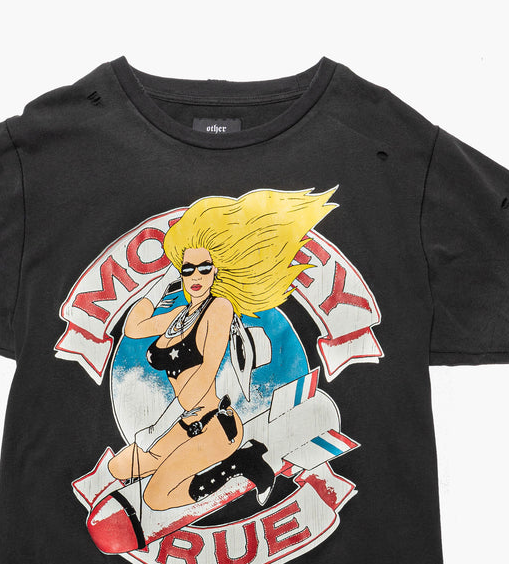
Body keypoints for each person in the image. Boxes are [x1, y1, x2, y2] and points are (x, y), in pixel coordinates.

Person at [108, 187, 338, 511]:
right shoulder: (180, 314)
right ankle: (188, 460)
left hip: (215, 426)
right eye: (188, 269)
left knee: (155, 497)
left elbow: (202, 379)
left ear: (216, 270)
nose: (196, 276)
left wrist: (155, 431)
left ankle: (243, 463)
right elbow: (133, 328)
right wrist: (163, 282)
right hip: (183, 425)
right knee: (118, 468)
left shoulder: (219, 309)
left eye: (204, 267)